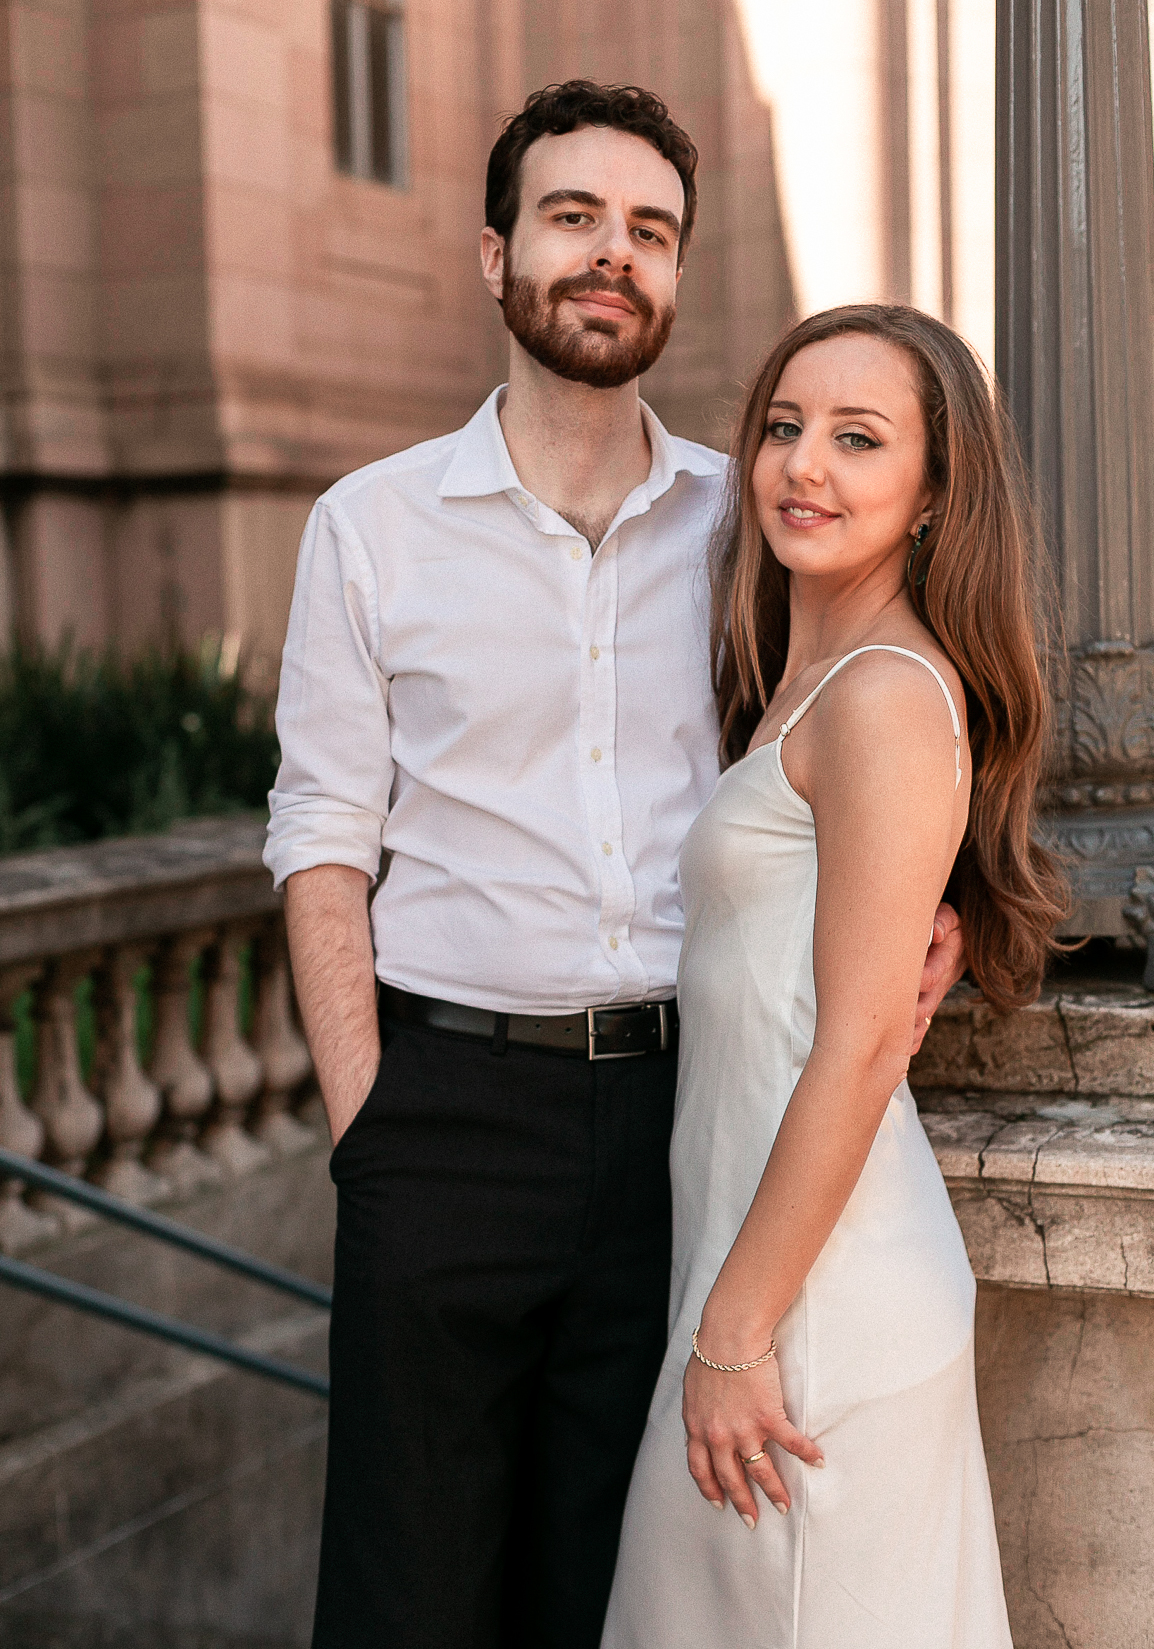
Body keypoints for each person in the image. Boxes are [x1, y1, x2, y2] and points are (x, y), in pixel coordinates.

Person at [264, 84, 966, 1649]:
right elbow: (320, 836)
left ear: (672, 276)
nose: (611, 255)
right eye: (574, 217)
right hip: (441, 1114)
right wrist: (368, 1115)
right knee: (407, 1592)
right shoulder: (368, 528)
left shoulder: (750, 517)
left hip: (674, 1115)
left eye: (648, 231)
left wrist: (947, 908)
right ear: (495, 254)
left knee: (613, 1589)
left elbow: (882, 714)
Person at [601, 303, 1069, 1649]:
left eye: (858, 439)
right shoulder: (801, 687)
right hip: (759, 1278)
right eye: (783, 427)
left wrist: (735, 1337)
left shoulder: (878, 694)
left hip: (811, 1313)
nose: (803, 465)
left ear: (933, 496)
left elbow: (858, 1047)